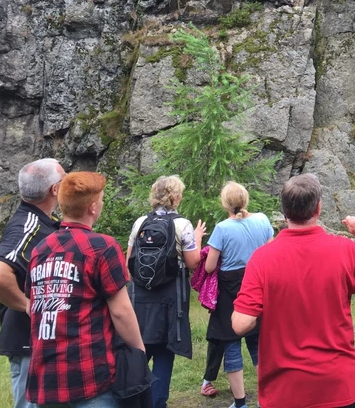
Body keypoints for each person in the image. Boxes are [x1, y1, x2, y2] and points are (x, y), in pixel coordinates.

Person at [232, 173, 355, 408]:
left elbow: (241, 324)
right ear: (318, 207)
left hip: (283, 390)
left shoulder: (262, 259)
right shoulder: (344, 250)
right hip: (335, 386)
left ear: (284, 211)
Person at [25, 172, 145, 408]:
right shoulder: (103, 247)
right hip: (89, 373)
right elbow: (121, 311)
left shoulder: (39, 250)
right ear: (93, 208)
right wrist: (139, 349)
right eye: (100, 200)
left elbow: (33, 306)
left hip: (45, 376)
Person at [0, 159, 64, 408]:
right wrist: (27, 304)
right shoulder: (27, 226)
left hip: (41, 341)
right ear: (54, 190)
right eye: (64, 179)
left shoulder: (43, 223)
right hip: (27, 341)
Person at [126, 176, 206, 408]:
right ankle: (157, 402)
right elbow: (192, 262)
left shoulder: (140, 222)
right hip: (170, 298)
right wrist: (198, 240)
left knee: (140, 351)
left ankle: (136, 401)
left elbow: (129, 261)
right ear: (176, 197)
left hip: (140, 297)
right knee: (163, 351)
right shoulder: (183, 225)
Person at [205, 182, 273, 408]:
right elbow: (271, 252)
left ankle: (240, 402)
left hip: (229, 290)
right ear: (246, 199)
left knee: (230, 341)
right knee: (257, 343)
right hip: (258, 284)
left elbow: (209, 266)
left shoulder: (222, 228)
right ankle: (267, 398)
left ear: (225, 203)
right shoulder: (262, 220)